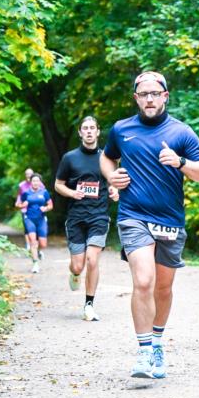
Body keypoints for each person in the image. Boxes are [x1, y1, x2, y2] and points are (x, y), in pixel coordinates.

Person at [101, 71, 199, 379]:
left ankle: (157, 342)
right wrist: (111, 176)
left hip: (169, 220)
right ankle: (143, 351)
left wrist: (180, 162)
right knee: (143, 281)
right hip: (133, 215)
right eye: (144, 94)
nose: (149, 99)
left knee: (163, 288)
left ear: (165, 96)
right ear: (136, 98)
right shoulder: (121, 129)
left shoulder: (181, 133)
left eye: (155, 93)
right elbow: (107, 157)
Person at [55, 115, 119, 322]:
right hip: (76, 217)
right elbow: (58, 185)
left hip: (99, 216)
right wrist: (72, 193)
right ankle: (74, 274)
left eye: (92, 128)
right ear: (80, 133)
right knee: (78, 266)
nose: (89, 131)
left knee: (93, 259)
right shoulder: (70, 158)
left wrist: (114, 191)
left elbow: (113, 183)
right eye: (85, 128)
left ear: (98, 132)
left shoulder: (107, 158)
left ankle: (89, 305)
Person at [17, 173, 53, 273]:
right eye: (33, 181)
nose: (35, 183)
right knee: (33, 242)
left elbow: (50, 205)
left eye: (37, 181)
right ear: (31, 182)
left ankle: (39, 251)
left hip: (41, 219)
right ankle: (35, 264)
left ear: (40, 182)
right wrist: (23, 205)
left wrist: (45, 208)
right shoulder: (26, 193)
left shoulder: (44, 192)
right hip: (29, 219)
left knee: (43, 244)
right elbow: (18, 204)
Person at [16, 168, 39, 257]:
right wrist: (18, 203)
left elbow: (44, 194)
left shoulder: (39, 183)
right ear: (25, 175)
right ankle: (28, 245)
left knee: (36, 228)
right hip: (25, 210)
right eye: (27, 174)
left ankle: (35, 246)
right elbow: (19, 196)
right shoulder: (21, 185)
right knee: (27, 228)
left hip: (37, 209)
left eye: (30, 174)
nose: (28, 175)